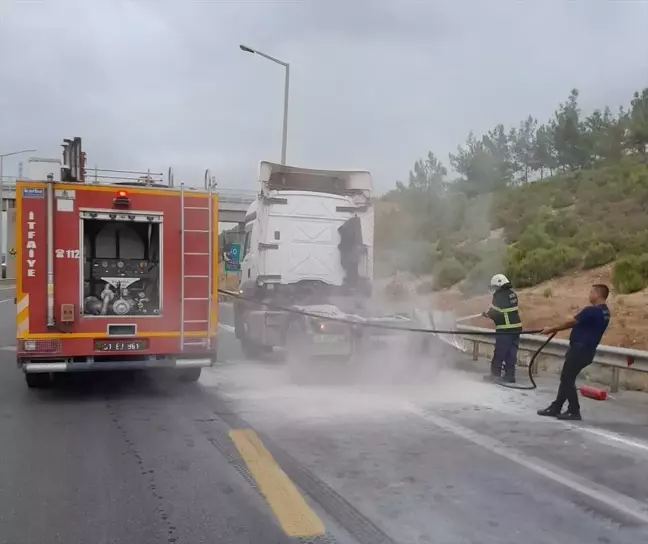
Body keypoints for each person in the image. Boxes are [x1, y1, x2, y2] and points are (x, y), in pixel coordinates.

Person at [537, 284, 611, 421]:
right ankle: (556, 407)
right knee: (567, 378)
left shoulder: (591, 311)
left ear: (597, 294)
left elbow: (571, 322)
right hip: (588, 350)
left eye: (591, 292)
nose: (589, 295)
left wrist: (552, 329)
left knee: (567, 378)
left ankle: (573, 410)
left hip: (579, 349)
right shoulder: (605, 312)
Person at [482, 274, 522, 383]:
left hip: (505, 329)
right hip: (516, 329)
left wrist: (487, 314)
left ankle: (495, 375)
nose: (494, 290)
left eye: (495, 287)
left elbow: (495, 311)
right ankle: (510, 375)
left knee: (500, 352)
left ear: (499, 285)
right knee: (511, 353)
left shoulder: (499, 296)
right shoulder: (512, 294)